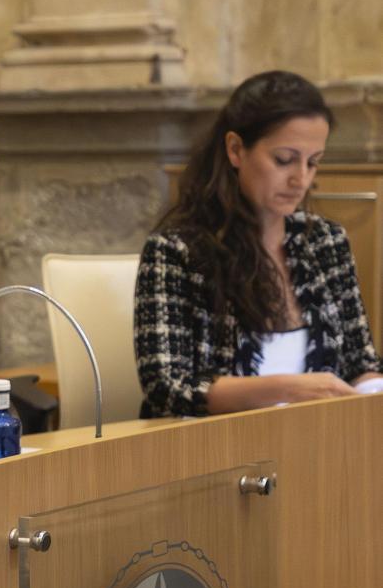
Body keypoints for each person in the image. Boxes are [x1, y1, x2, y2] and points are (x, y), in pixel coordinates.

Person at [134, 69, 382, 417]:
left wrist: (371, 387)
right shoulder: (176, 252)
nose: (301, 179)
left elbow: (361, 362)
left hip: (317, 445)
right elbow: (167, 387)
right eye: (284, 159)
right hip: (214, 453)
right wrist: (293, 388)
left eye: (313, 163)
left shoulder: (326, 242)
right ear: (236, 149)